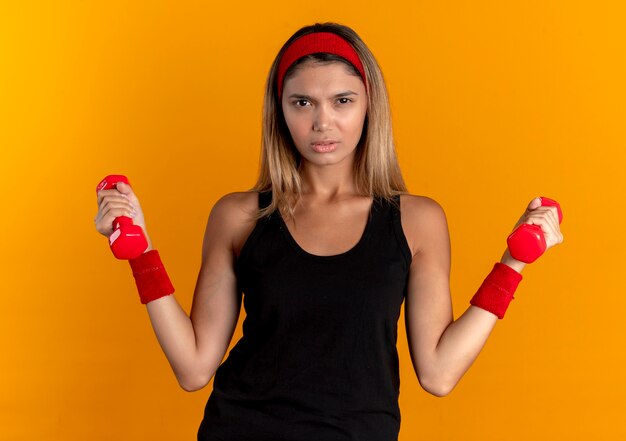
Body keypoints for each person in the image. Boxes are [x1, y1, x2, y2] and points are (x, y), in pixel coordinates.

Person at [94, 22, 564, 441]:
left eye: (342, 101)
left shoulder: (416, 221)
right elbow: (194, 368)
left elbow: (439, 374)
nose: (323, 122)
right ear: (280, 111)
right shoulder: (240, 216)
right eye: (303, 102)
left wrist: (514, 263)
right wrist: (141, 251)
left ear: (368, 105)